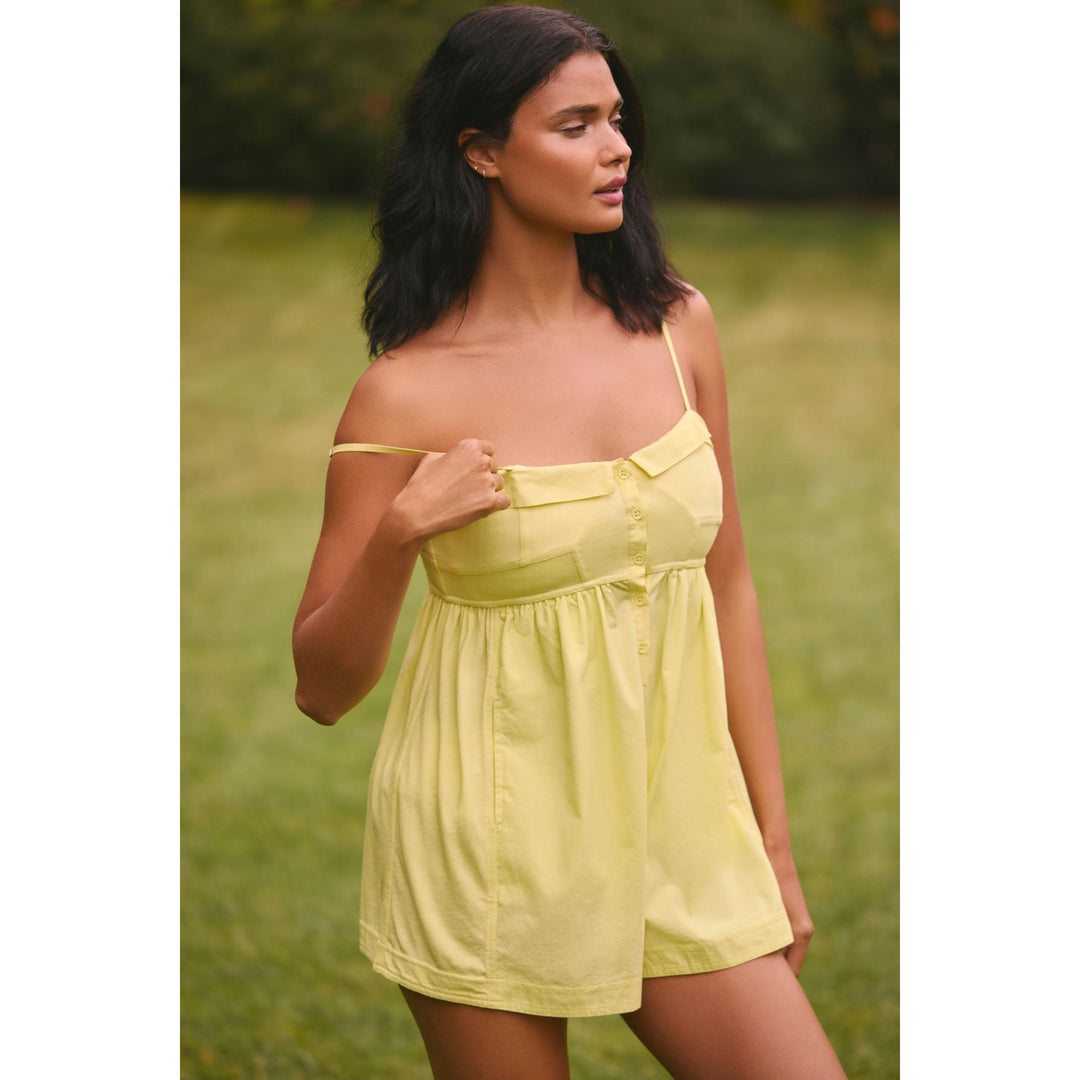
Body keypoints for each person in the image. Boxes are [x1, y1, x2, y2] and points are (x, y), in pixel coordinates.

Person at [293, 5, 847, 1078]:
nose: (618, 147)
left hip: (684, 829)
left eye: (617, 119)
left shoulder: (678, 327)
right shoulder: (403, 391)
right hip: (487, 837)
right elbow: (322, 686)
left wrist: (771, 851)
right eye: (576, 124)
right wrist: (400, 535)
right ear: (482, 152)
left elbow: (728, 584)